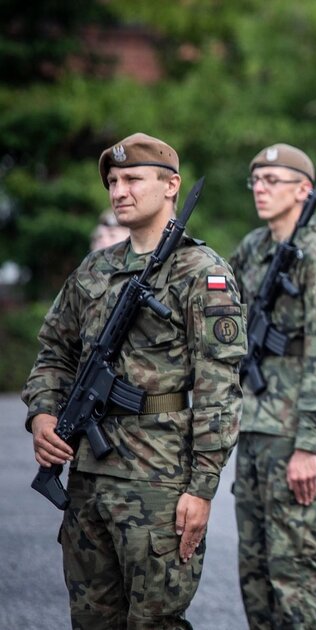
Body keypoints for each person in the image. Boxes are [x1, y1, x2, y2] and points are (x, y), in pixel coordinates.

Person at [22, 132, 245, 629]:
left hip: (160, 478)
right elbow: (54, 353)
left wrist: (202, 488)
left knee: (155, 622)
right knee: (92, 620)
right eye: (114, 181)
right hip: (87, 477)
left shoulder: (201, 272)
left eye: (133, 179)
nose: (119, 190)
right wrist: (41, 413)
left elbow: (220, 387)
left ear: (172, 186)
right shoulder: (95, 269)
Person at [229, 144, 316, 628]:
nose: (260, 189)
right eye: (255, 181)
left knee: (294, 572)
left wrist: (308, 444)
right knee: (255, 571)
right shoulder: (253, 247)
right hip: (253, 426)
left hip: (291, 433)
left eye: (272, 181)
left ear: (304, 190)